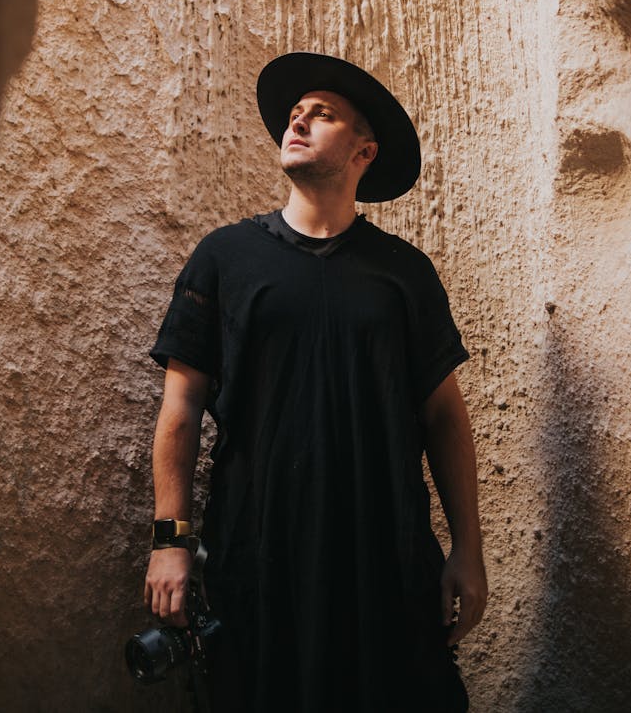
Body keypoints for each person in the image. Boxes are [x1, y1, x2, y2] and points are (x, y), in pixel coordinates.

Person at [144, 52, 487, 712]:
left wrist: (467, 550)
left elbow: (445, 415)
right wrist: (170, 542)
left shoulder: (404, 274)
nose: (297, 123)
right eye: (294, 115)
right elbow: (181, 409)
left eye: (320, 115)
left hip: (386, 558)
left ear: (364, 150)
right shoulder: (224, 258)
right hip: (262, 557)